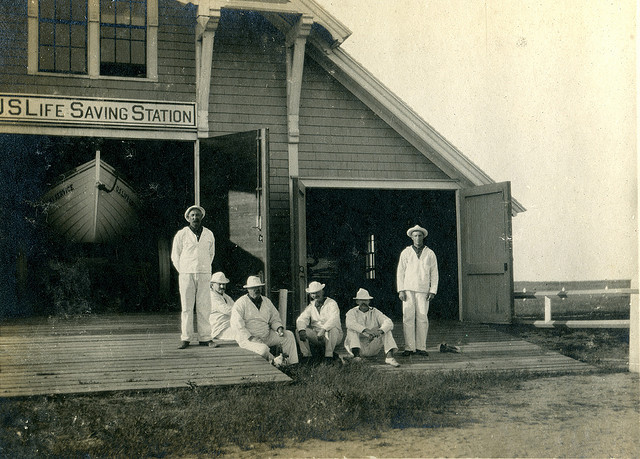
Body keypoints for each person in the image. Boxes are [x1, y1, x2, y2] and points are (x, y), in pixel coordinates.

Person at [171, 205, 215, 349]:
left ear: (201, 217)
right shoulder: (181, 234)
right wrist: (183, 270)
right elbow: (175, 255)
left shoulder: (209, 234)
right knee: (187, 307)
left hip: (203, 273)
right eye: (193, 215)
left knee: (204, 306)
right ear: (188, 218)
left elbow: (211, 254)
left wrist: (203, 267)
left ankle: (205, 337)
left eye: (197, 215)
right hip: (186, 274)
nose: (195, 218)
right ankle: (186, 338)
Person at [230, 276, 299, 367]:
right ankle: (276, 363)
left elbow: (274, 318)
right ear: (248, 289)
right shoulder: (240, 303)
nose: (256, 290)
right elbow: (237, 326)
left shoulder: (267, 301)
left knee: (289, 335)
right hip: (249, 339)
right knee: (263, 350)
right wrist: (251, 338)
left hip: (266, 336)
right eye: (253, 288)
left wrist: (279, 328)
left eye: (258, 287)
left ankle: (291, 364)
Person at [396, 224, 439, 357]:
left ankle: (421, 347)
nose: (418, 238)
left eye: (420, 235)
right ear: (411, 237)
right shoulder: (406, 252)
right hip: (408, 289)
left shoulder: (430, 253)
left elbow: (434, 273)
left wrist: (432, 290)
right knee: (408, 317)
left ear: (423, 237)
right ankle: (410, 348)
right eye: (415, 236)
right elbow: (400, 272)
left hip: (423, 290)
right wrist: (401, 290)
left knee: (422, 317)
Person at [344, 288, 400, 367]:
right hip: (358, 347)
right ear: (357, 302)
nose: (364, 303)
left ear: (369, 301)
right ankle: (356, 357)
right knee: (351, 330)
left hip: (372, 346)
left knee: (386, 330)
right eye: (361, 300)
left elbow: (389, 322)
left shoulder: (375, 311)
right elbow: (350, 323)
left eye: (366, 300)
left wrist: (380, 331)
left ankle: (389, 357)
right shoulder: (351, 312)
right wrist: (367, 331)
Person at [296, 281, 343, 364]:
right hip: (318, 336)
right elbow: (302, 319)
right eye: (312, 293)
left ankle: (328, 356)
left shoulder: (331, 303)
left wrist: (323, 330)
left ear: (322, 291)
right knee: (299, 330)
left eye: (317, 292)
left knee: (333, 329)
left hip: (333, 336)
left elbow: (334, 319)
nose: (315, 295)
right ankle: (307, 356)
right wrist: (301, 330)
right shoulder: (311, 306)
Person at [209, 271, 236, 342]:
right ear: (212, 285)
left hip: (229, 325)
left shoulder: (226, 296)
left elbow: (236, 307)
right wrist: (243, 312)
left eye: (224, 284)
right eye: (219, 284)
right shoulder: (211, 296)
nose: (222, 287)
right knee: (243, 334)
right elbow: (227, 310)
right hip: (219, 329)